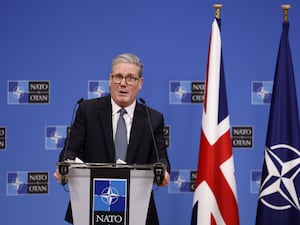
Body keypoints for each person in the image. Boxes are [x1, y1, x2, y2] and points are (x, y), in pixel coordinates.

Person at [54, 53, 170, 225]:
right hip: (92, 206)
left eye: (130, 78)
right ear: (110, 80)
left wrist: (163, 172)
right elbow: (71, 149)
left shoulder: (153, 119)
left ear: (140, 83)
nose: (123, 83)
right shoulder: (88, 111)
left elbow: (160, 157)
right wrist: (65, 165)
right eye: (118, 77)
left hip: (137, 209)